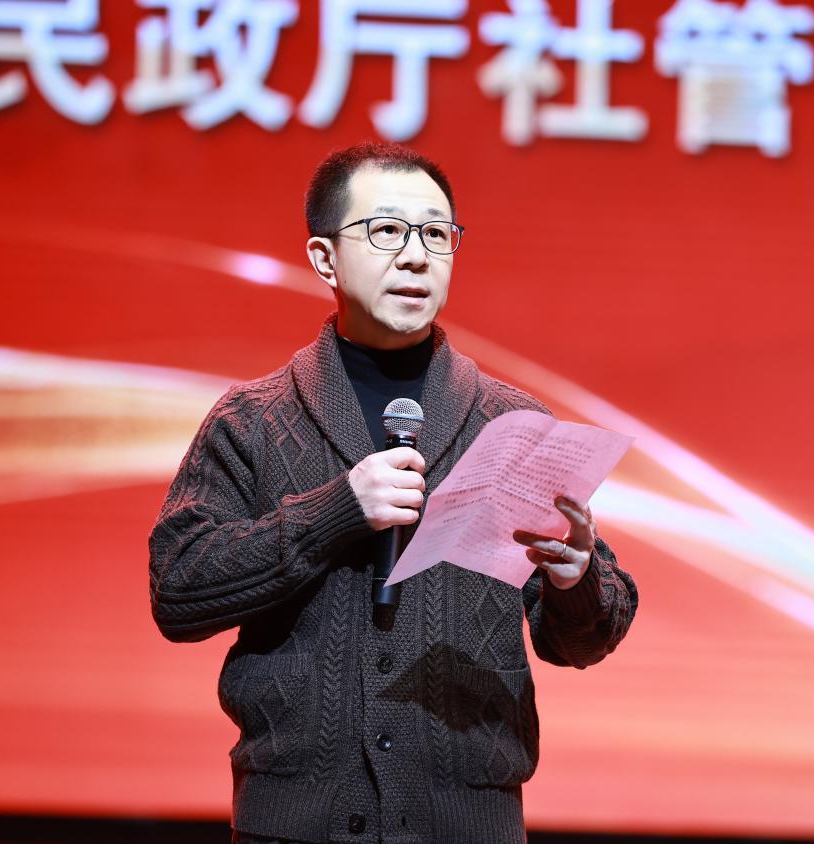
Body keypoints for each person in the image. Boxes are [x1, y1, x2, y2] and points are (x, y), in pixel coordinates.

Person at [147, 142, 638, 844]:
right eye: (386, 231)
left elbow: (583, 642)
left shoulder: (510, 424)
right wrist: (336, 512)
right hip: (296, 825)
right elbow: (179, 592)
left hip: (467, 827)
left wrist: (576, 580)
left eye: (436, 235)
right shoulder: (252, 420)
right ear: (324, 258)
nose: (415, 257)